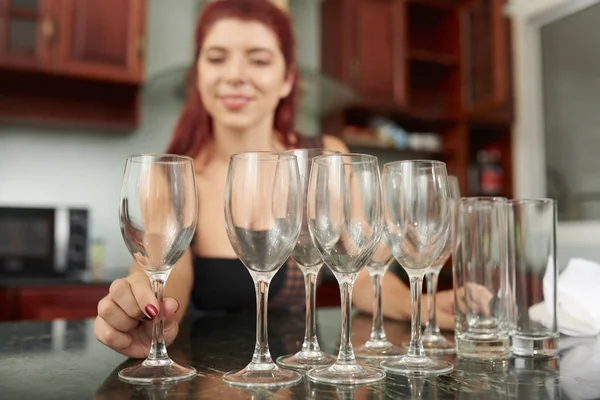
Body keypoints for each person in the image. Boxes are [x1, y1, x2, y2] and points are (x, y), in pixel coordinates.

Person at [94, 0, 456, 359]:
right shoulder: (170, 175)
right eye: (217, 58)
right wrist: (146, 305)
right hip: (207, 377)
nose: (235, 74)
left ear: (287, 79)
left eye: (259, 59)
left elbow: (360, 279)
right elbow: (169, 275)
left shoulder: (325, 158)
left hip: (301, 374)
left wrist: (422, 306)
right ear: (198, 75)